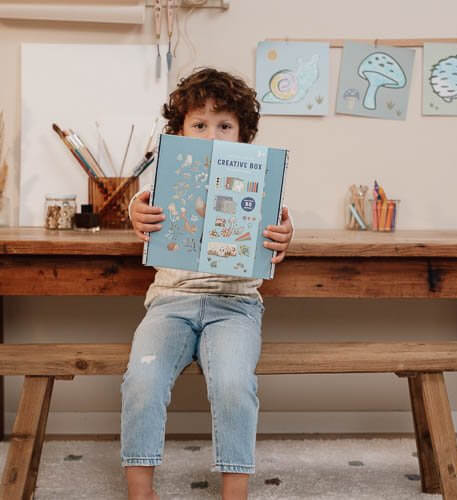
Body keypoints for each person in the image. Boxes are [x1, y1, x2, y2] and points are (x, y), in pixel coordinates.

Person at [121, 67, 293, 500]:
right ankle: (140, 492)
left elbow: (278, 230)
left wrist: (285, 236)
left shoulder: (258, 182)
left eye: (224, 125)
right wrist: (133, 212)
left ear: (242, 136)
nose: (211, 134)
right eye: (198, 124)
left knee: (235, 384)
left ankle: (235, 491)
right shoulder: (164, 181)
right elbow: (141, 207)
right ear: (179, 132)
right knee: (142, 379)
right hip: (171, 304)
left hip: (234, 306)